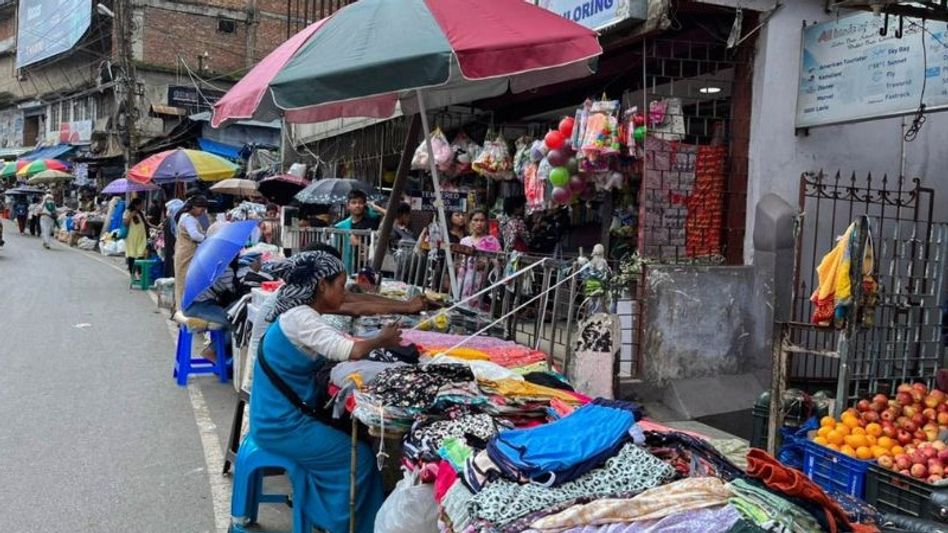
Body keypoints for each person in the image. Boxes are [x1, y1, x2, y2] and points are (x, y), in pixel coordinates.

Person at [250, 250, 393, 533]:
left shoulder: (299, 315)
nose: (344, 293)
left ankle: (339, 517)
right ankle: (342, 523)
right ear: (321, 286)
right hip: (280, 424)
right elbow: (351, 349)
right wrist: (382, 339)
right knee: (361, 457)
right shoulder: (301, 319)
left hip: (279, 416)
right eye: (340, 285)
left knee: (354, 439)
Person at [457, 210, 502, 306]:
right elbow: (460, 262)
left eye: (482, 220)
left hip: (482, 284)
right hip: (463, 283)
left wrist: (487, 264)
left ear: (486, 223)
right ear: (470, 222)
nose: (479, 223)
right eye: (475, 220)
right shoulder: (464, 241)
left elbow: (499, 264)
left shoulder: (492, 241)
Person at [334, 190, 384, 271]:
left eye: (360, 202)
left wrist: (375, 207)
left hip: (366, 269)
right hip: (346, 268)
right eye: (354, 202)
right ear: (348, 205)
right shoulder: (341, 225)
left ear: (365, 204)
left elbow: (391, 217)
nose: (357, 205)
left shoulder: (372, 222)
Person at [174, 195, 209, 310]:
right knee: (185, 283)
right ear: (194, 207)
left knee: (182, 283)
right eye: (201, 209)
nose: (202, 212)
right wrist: (207, 238)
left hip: (182, 251)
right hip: (187, 254)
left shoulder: (185, 217)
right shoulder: (189, 219)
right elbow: (195, 235)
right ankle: (183, 311)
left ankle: (180, 309)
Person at [123, 198, 149, 279]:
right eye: (141, 204)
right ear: (135, 205)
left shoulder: (141, 213)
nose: (142, 206)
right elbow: (125, 223)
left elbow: (145, 223)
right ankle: (132, 273)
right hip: (132, 237)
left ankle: (140, 273)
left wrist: (156, 227)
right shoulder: (127, 212)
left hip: (141, 236)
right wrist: (131, 215)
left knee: (141, 254)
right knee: (132, 255)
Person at [162, 199, 185, 279]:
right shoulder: (173, 219)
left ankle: (168, 276)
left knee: (169, 256)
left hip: (172, 244)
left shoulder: (170, 219)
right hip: (174, 243)